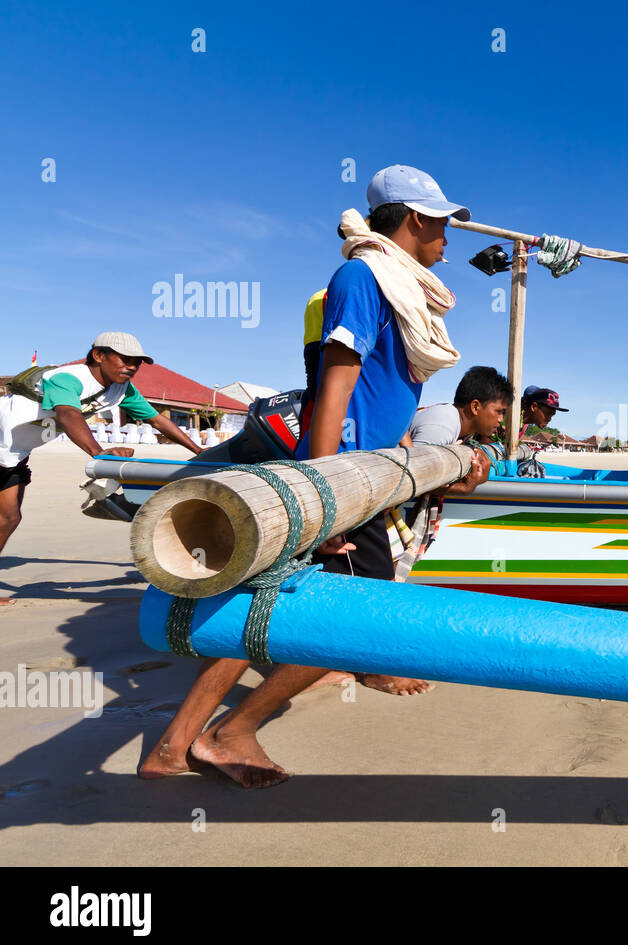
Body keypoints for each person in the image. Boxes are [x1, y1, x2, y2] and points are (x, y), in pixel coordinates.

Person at [140, 164, 470, 788]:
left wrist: (403, 456)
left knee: (270, 604)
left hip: (370, 474)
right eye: (444, 222)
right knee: (355, 625)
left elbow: (382, 390)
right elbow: (336, 383)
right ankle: (231, 733)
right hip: (344, 480)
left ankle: (172, 747)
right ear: (415, 218)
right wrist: (323, 497)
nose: (449, 237)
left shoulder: (399, 286)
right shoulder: (362, 276)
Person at [0, 333, 203, 590]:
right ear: (98, 355)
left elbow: (158, 420)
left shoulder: (121, 390)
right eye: (124, 359)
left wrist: (199, 450)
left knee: (8, 519)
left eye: (136, 362)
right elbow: (68, 415)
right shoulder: (67, 378)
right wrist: (99, 454)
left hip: (13, 456)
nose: (131, 366)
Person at [409, 365, 513, 494]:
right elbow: (411, 477)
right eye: (498, 411)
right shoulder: (444, 424)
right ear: (475, 407)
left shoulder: (458, 426)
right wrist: (464, 488)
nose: (500, 419)